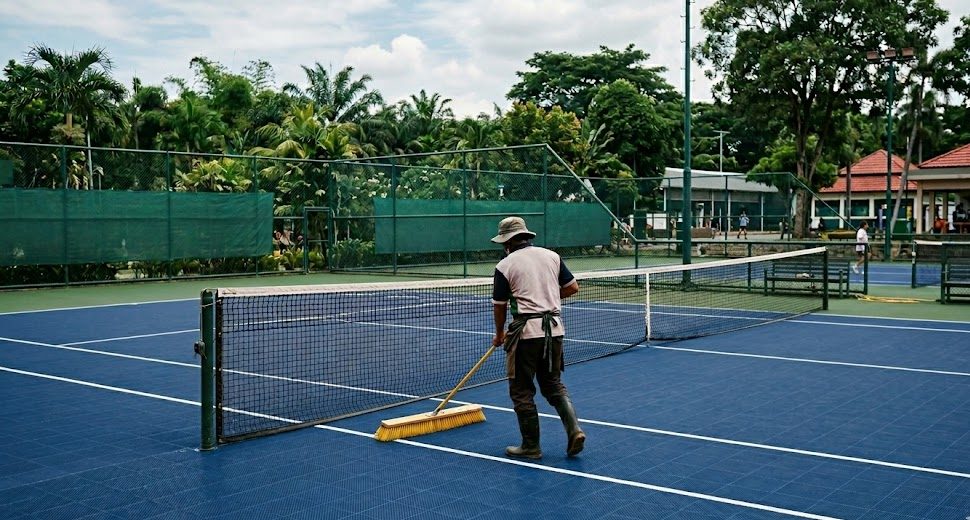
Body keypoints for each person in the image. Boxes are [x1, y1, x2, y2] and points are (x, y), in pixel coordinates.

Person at [491, 216, 584, 459]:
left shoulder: (505, 264)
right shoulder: (551, 256)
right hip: (554, 330)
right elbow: (573, 287)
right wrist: (547, 299)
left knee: (521, 389)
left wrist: (500, 334)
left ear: (507, 242)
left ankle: (531, 447)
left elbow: (499, 306)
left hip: (525, 334)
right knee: (552, 384)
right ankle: (574, 430)